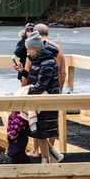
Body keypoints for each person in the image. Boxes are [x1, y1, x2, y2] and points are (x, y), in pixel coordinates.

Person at [23, 33, 62, 163]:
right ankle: (54, 156)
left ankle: (46, 160)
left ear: (36, 48)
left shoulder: (47, 63)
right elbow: (34, 79)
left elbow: (41, 86)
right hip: (40, 100)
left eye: (29, 49)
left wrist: (24, 92)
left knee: (41, 132)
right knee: (39, 132)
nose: (28, 52)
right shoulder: (38, 59)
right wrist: (22, 71)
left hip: (46, 101)